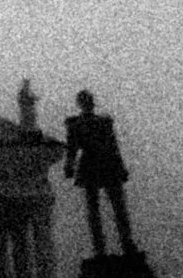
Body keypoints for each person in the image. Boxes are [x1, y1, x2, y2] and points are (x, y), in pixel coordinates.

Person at [62, 89, 137, 258]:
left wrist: (69, 166)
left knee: (106, 208)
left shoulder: (81, 124)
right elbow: (74, 148)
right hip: (104, 164)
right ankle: (117, 245)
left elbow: (74, 149)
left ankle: (108, 247)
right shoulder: (98, 122)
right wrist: (69, 165)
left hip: (96, 165)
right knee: (111, 207)